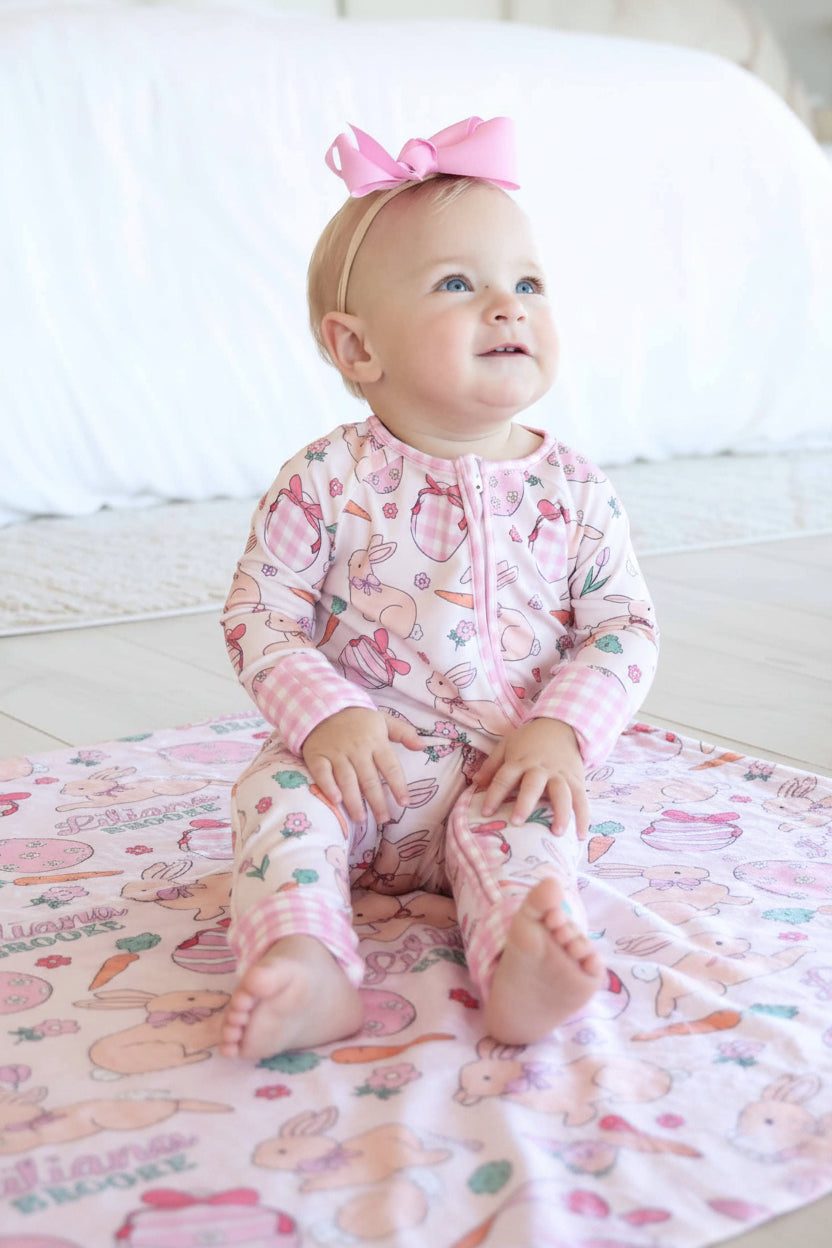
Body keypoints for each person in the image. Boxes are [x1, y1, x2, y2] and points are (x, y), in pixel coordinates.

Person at [218, 117, 658, 1060]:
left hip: (505, 765)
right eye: (459, 284)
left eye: (527, 283)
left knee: (533, 839)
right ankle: (307, 962)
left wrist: (563, 730)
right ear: (356, 347)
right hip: (359, 765)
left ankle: (522, 961)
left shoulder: (576, 489)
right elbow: (261, 610)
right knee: (276, 810)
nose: (508, 306)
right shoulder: (324, 481)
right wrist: (326, 716)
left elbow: (622, 627)